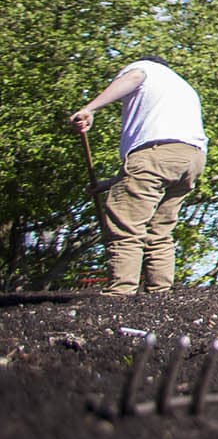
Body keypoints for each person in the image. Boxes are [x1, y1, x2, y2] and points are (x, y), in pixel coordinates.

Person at [68, 57, 207, 296]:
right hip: (192, 158)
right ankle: (160, 291)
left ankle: (121, 292)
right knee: (160, 228)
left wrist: (89, 109)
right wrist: (111, 183)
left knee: (126, 222)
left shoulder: (144, 70)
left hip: (156, 153)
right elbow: (160, 164)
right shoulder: (181, 86)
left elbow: (134, 78)